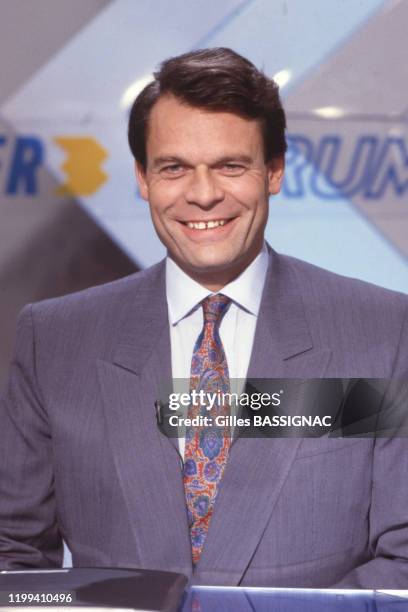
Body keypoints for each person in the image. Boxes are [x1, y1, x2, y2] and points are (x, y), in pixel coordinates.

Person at [0, 47, 407, 588]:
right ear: (143, 178)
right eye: (174, 168)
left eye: (230, 166)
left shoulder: (381, 331)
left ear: (275, 171)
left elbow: (403, 557)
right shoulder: (53, 339)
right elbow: (14, 553)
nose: (204, 194)